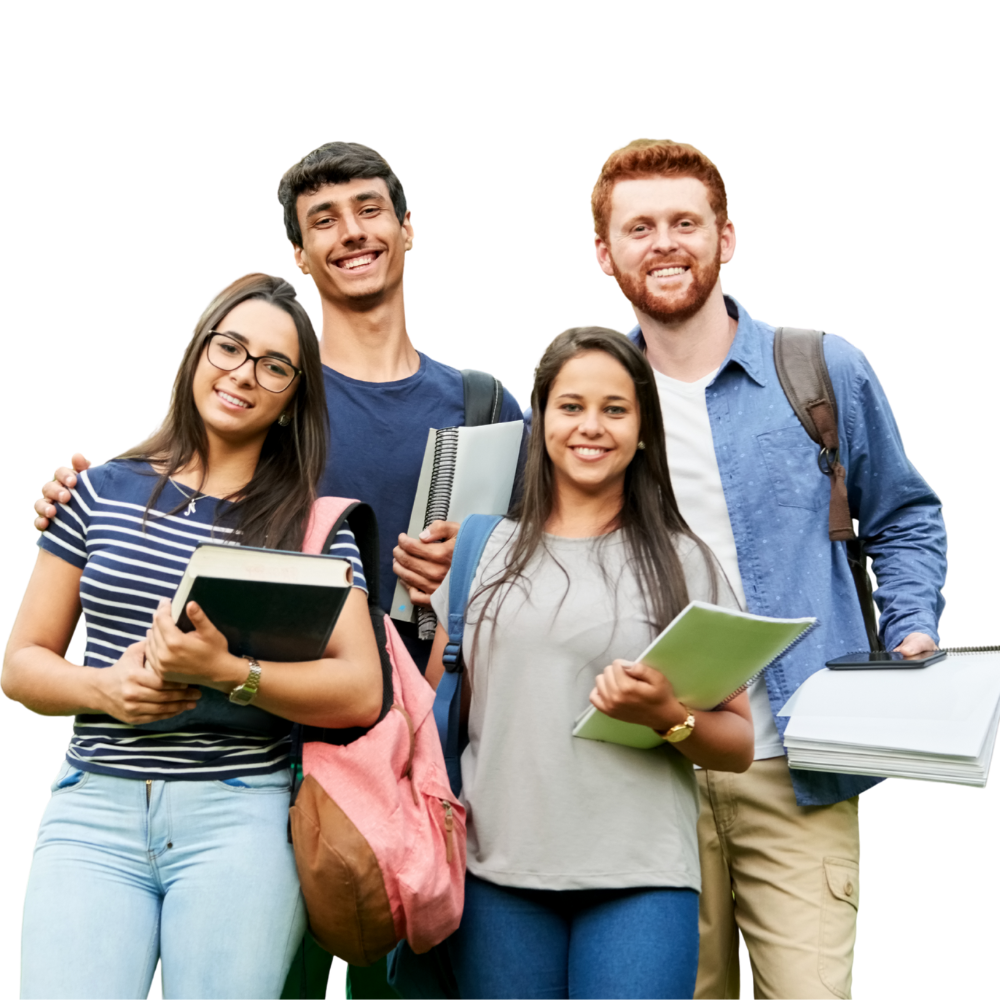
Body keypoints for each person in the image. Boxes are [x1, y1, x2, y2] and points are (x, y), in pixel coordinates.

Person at [30, 141, 525, 1000]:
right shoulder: (258, 399)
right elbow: (163, 500)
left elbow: (549, 572)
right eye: (323, 220)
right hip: (257, 767)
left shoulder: (483, 408)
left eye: (369, 210)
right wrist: (75, 498)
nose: (351, 233)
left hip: (406, 761)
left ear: (409, 229)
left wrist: (474, 567)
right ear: (299, 254)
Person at [586, 139, 948, 999]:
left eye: (685, 222)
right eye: (639, 227)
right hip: (646, 777)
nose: (664, 243)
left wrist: (911, 628)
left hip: (798, 767)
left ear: (728, 237)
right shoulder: (584, 402)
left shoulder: (820, 369)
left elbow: (903, 516)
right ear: (605, 253)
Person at [4, 272, 384, 998]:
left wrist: (231, 672)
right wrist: (106, 690)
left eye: (274, 366)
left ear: (293, 398)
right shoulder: (97, 490)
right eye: (230, 348)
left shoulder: (313, 527)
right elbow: (20, 665)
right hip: (92, 808)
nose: (243, 374)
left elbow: (361, 690)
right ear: (197, 351)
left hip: (239, 816)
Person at [425, 326, 755, 1000]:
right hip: (494, 876)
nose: (591, 427)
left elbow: (739, 745)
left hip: (642, 878)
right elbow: (436, 720)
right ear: (540, 420)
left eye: (615, 409)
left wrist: (668, 717)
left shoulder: (684, 562)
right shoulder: (480, 552)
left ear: (643, 428)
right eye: (571, 406)